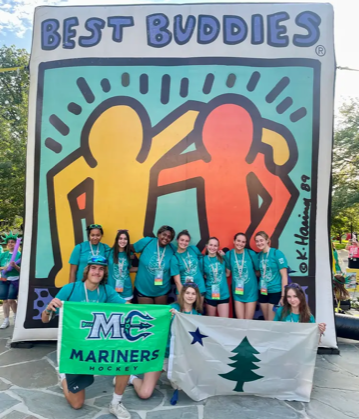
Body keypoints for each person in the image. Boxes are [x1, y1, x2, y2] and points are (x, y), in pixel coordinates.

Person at [42, 256, 131, 419]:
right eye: (94, 268)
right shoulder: (70, 289)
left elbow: (129, 309)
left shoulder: (106, 291)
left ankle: (116, 402)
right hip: (76, 349)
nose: (97, 272)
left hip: (100, 344)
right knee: (77, 404)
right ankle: (63, 375)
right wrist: (48, 309)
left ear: (104, 273)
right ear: (87, 270)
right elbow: (44, 319)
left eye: (101, 269)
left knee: (125, 359)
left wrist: (157, 313)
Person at [128, 283, 202, 399]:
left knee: (184, 388)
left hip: (180, 359)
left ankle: (172, 376)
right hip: (162, 355)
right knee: (145, 393)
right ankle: (132, 378)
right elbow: (154, 323)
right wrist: (167, 317)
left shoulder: (197, 316)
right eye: (187, 293)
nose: (190, 296)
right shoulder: (171, 309)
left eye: (193, 293)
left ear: (197, 296)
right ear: (182, 294)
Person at [132, 226, 176, 305]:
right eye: (164, 234)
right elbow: (130, 248)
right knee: (147, 315)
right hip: (143, 289)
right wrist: (128, 266)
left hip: (162, 291)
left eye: (169, 237)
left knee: (160, 316)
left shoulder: (173, 249)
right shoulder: (147, 242)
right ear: (158, 234)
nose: (166, 238)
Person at [255, 231, 288, 321]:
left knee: (272, 321)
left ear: (267, 240)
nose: (259, 243)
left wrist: (283, 295)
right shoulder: (259, 256)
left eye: (261, 240)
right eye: (257, 241)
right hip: (263, 291)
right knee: (267, 321)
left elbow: (284, 276)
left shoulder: (276, 253)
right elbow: (259, 273)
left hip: (275, 291)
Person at [226, 232, 259, 319]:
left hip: (251, 292)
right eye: (238, 241)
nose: (240, 244)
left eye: (243, 242)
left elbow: (258, 272)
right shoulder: (228, 255)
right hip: (238, 293)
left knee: (248, 322)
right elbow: (228, 273)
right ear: (234, 241)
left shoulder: (251, 254)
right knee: (240, 322)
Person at [170, 230, 206, 300]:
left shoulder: (193, 249)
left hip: (199, 287)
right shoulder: (174, 258)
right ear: (177, 240)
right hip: (185, 290)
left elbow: (201, 259)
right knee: (185, 310)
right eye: (182, 240)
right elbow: (177, 281)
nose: (184, 243)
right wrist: (183, 295)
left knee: (198, 310)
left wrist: (202, 273)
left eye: (186, 241)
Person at [203, 237, 230, 317]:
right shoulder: (203, 260)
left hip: (223, 294)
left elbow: (228, 274)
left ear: (218, 247)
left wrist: (225, 257)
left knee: (224, 321)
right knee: (211, 322)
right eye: (211, 245)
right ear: (207, 246)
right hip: (210, 294)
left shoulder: (222, 258)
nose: (213, 247)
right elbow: (202, 275)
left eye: (215, 246)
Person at [108, 230, 136, 302]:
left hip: (126, 288)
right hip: (112, 289)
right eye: (120, 238)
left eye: (125, 239)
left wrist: (141, 269)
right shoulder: (109, 253)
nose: (123, 241)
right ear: (117, 240)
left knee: (126, 312)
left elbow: (128, 269)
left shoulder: (130, 254)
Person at [0, 232, 21, 329]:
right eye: (9, 242)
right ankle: (6, 320)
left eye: (13, 242)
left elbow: (22, 270)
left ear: (16, 244)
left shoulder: (20, 255)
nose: (11, 244)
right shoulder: (4, 255)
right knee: (5, 301)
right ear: (7, 244)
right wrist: (3, 268)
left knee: (11, 300)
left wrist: (15, 266)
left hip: (15, 279)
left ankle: (17, 317)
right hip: (4, 279)